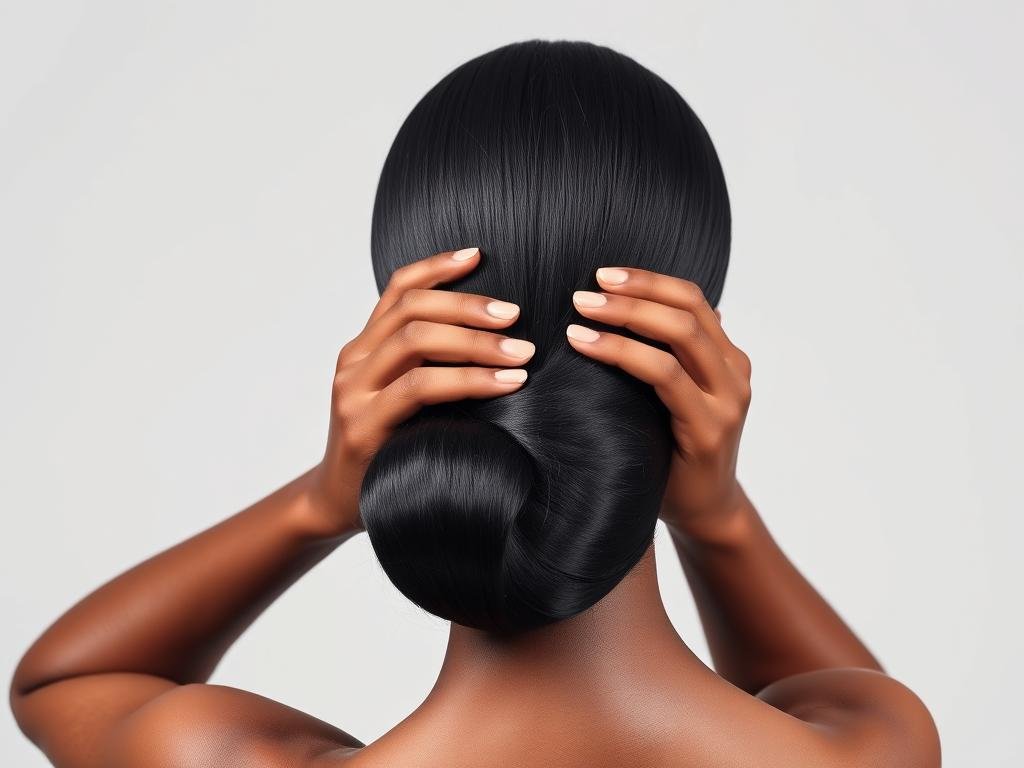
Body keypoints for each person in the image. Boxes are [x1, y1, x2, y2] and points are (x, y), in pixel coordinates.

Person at [10, 41, 940, 767]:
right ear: (695, 355)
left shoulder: (225, 758)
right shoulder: (872, 747)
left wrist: (326, 496)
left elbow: (66, 680)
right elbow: (827, 689)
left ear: (402, 349)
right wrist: (719, 518)